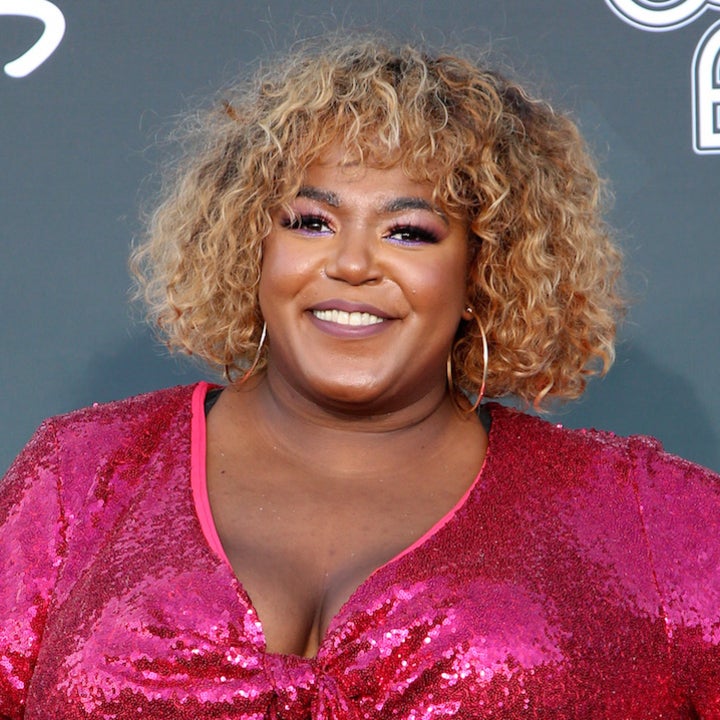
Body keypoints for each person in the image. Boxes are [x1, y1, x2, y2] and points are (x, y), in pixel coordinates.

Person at [1, 35, 719, 719]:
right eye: (311, 222)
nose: (351, 264)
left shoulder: (642, 520)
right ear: (251, 245)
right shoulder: (81, 476)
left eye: (409, 232)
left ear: (481, 271)